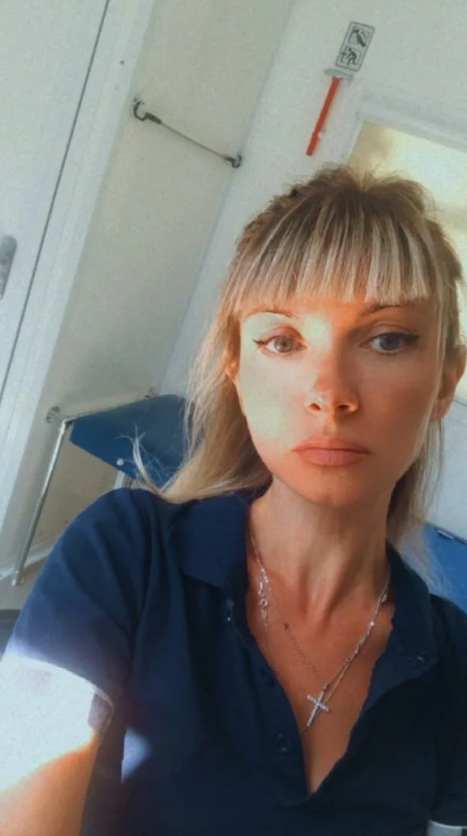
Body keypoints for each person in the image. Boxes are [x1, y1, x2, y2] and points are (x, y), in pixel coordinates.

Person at [1, 165, 467, 836]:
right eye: (283, 341)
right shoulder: (123, 555)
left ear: (445, 381)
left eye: (386, 339)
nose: (329, 393)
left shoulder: (452, 663)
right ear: (236, 368)